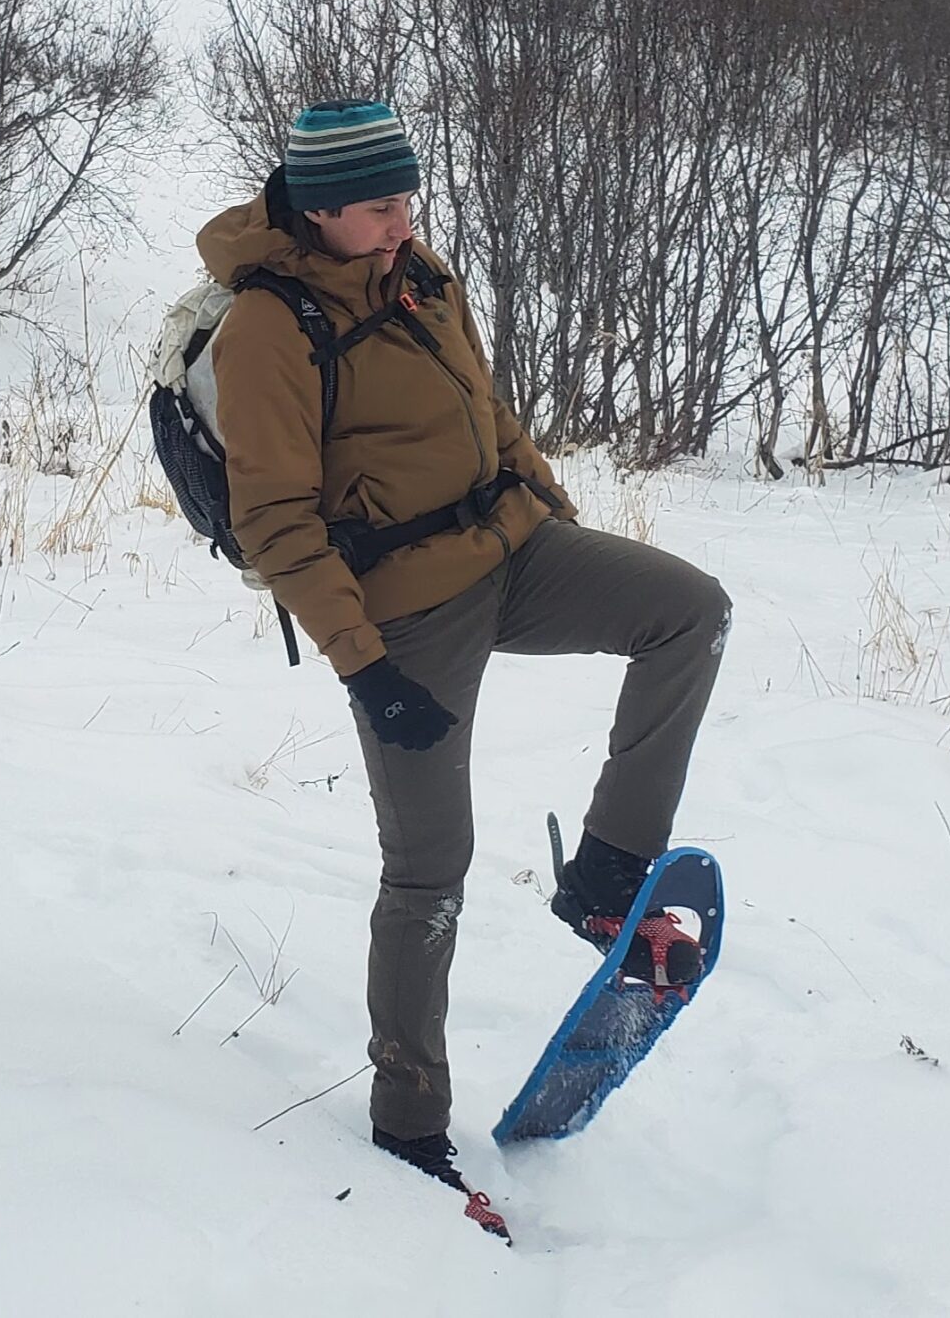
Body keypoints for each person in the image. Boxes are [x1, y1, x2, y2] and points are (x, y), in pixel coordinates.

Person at [197, 98, 732, 1189]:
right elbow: (277, 525)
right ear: (321, 208)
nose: (405, 221)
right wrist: (367, 666)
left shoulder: (422, 275)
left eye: (409, 200)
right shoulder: (269, 329)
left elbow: (490, 414)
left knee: (689, 609)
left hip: (513, 552)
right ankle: (408, 1123)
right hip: (403, 612)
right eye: (383, 206)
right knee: (429, 870)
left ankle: (605, 877)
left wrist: (554, 514)